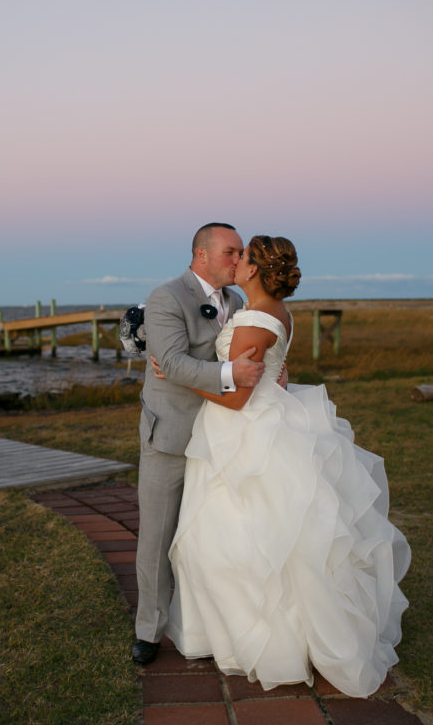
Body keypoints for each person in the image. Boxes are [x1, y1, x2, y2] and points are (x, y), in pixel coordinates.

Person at [164, 235, 411, 697]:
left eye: (241, 258)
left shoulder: (256, 319)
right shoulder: (278, 312)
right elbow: (270, 371)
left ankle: (268, 643)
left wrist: (177, 376)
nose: (234, 263)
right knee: (252, 536)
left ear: (254, 270)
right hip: (263, 419)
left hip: (242, 433)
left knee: (240, 539)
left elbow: (235, 397)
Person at [132, 223, 266, 665]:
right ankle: (148, 631)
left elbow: (248, 352)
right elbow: (170, 363)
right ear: (201, 255)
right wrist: (231, 376)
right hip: (170, 433)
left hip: (221, 435)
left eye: (240, 252)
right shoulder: (167, 297)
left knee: (212, 537)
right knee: (157, 537)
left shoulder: (236, 301)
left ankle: (210, 624)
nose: (239, 259)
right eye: (231, 251)